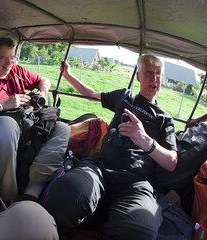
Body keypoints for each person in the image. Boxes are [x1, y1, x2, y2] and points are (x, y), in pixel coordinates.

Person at [42, 55, 178, 239]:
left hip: (136, 183)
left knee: (139, 231)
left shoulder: (164, 118)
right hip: (100, 167)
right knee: (65, 194)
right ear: (138, 76)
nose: (154, 78)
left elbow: (171, 162)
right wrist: (67, 75)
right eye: (148, 73)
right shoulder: (124, 96)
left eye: (158, 74)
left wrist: (145, 140)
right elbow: (90, 94)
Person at [0, 37, 70, 202]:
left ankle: (33, 188)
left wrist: (42, 92)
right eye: (3, 58)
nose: (9, 63)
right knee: (7, 125)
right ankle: (7, 198)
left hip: (24, 122)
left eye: (12, 58)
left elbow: (44, 80)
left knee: (63, 128)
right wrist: (2, 104)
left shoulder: (18, 72)